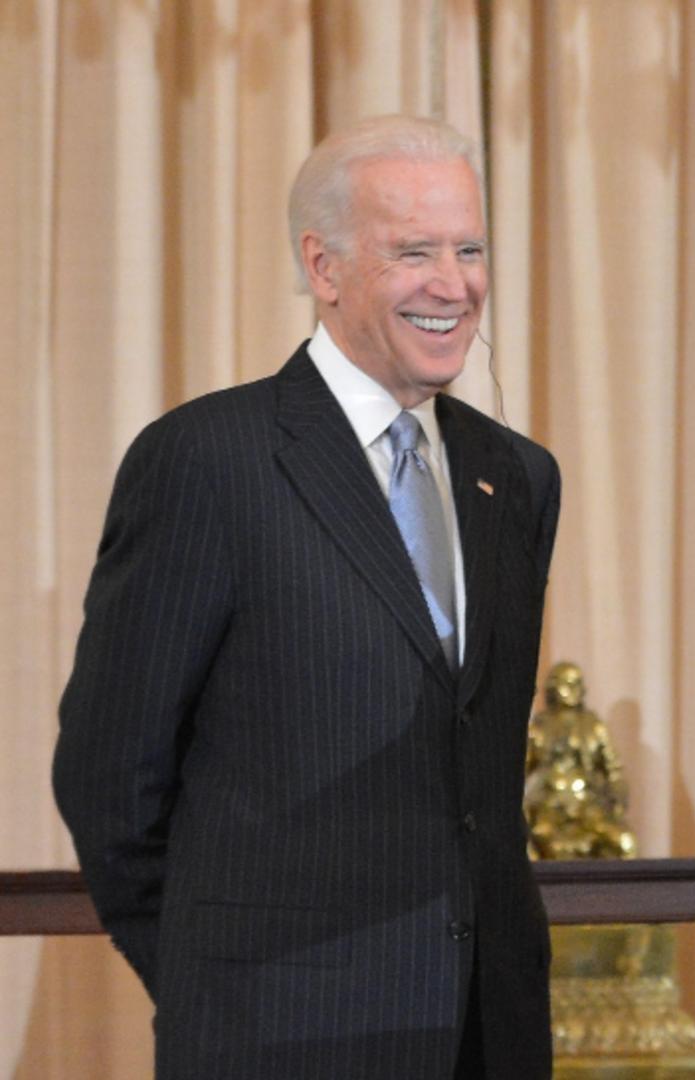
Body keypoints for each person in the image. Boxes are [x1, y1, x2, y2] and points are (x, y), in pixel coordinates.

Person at [52, 115, 561, 1080]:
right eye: (414, 251)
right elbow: (110, 773)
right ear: (323, 268)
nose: (454, 285)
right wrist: (215, 970)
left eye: (470, 248)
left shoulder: (518, 476)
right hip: (276, 1029)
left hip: (488, 1030)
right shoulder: (209, 459)